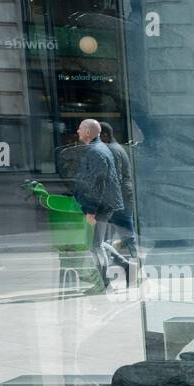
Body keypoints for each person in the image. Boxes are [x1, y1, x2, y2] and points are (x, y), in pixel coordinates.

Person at [71, 118, 125, 289]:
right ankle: (126, 266)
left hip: (100, 205)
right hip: (104, 203)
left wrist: (91, 209)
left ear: (87, 132)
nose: (77, 131)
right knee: (99, 242)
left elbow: (97, 183)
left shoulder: (96, 151)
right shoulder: (98, 149)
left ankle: (103, 283)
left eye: (80, 128)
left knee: (96, 245)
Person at [99, 121, 137, 257]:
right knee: (114, 231)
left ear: (104, 135)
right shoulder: (113, 148)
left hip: (119, 194)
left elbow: (114, 177)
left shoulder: (112, 150)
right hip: (120, 193)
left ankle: (135, 261)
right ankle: (111, 260)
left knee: (126, 232)